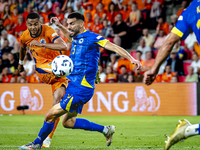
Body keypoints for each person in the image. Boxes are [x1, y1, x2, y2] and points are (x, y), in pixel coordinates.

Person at [19, 12, 141, 149]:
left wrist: (132, 59)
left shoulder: (92, 37)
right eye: (68, 24)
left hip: (81, 88)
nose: (69, 26)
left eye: (71, 24)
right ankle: (106, 130)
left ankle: (37, 143)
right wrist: (59, 25)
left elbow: (113, 47)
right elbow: (69, 37)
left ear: (81, 24)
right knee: (68, 122)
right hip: (73, 85)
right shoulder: (76, 37)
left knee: (50, 115)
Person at [143, 1, 200, 150]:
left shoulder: (190, 10)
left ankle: (187, 131)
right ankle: (187, 131)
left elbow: (169, 42)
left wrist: (154, 69)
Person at [18, 12, 70, 148]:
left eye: (36, 24)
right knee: (67, 73)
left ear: (40, 22)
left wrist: (42, 45)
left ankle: (47, 140)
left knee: (57, 105)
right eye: (30, 24)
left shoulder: (48, 30)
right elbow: (22, 48)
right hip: (43, 69)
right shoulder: (24, 36)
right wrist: (20, 64)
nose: (33, 27)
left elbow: (63, 46)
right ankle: (74, 78)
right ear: (27, 25)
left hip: (58, 71)